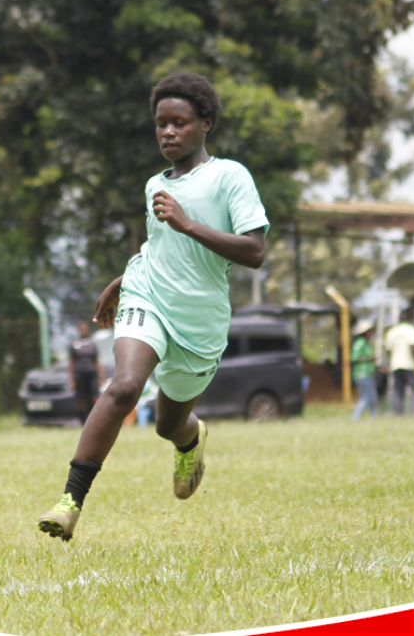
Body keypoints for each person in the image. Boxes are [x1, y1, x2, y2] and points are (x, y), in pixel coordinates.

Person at [37, 72, 269, 542]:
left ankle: (189, 439)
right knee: (123, 386)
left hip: (200, 320)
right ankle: (70, 502)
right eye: (161, 123)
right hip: (148, 295)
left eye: (179, 123)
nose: (168, 132)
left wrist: (187, 224)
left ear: (206, 123)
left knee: (167, 424)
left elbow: (254, 252)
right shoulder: (154, 185)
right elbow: (159, 248)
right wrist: (123, 281)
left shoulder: (230, 176)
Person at [384, 309, 414, 416]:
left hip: (396, 365)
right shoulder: (412, 330)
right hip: (409, 365)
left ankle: (398, 415)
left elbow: (388, 349)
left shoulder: (392, 331)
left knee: (398, 392)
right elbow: (412, 347)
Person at [68, 321, 105, 422]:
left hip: (92, 373)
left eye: (85, 329)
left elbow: (97, 361)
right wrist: (71, 380)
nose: (83, 331)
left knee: (95, 397)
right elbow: (71, 363)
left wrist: (101, 376)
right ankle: (82, 419)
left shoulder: (92, 344)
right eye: (81, 329)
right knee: (81, 398)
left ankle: (96, 419)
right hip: (79, 374)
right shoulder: (74, 344)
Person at [350, 320, 378, 421]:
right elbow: (354, 358)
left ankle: (373, 418)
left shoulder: (366, 343)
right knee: (366, 398)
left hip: (367, 373)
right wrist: (371, 358)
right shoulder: (360, 343)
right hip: (362, 374)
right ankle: (355, 419)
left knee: (372, 397)